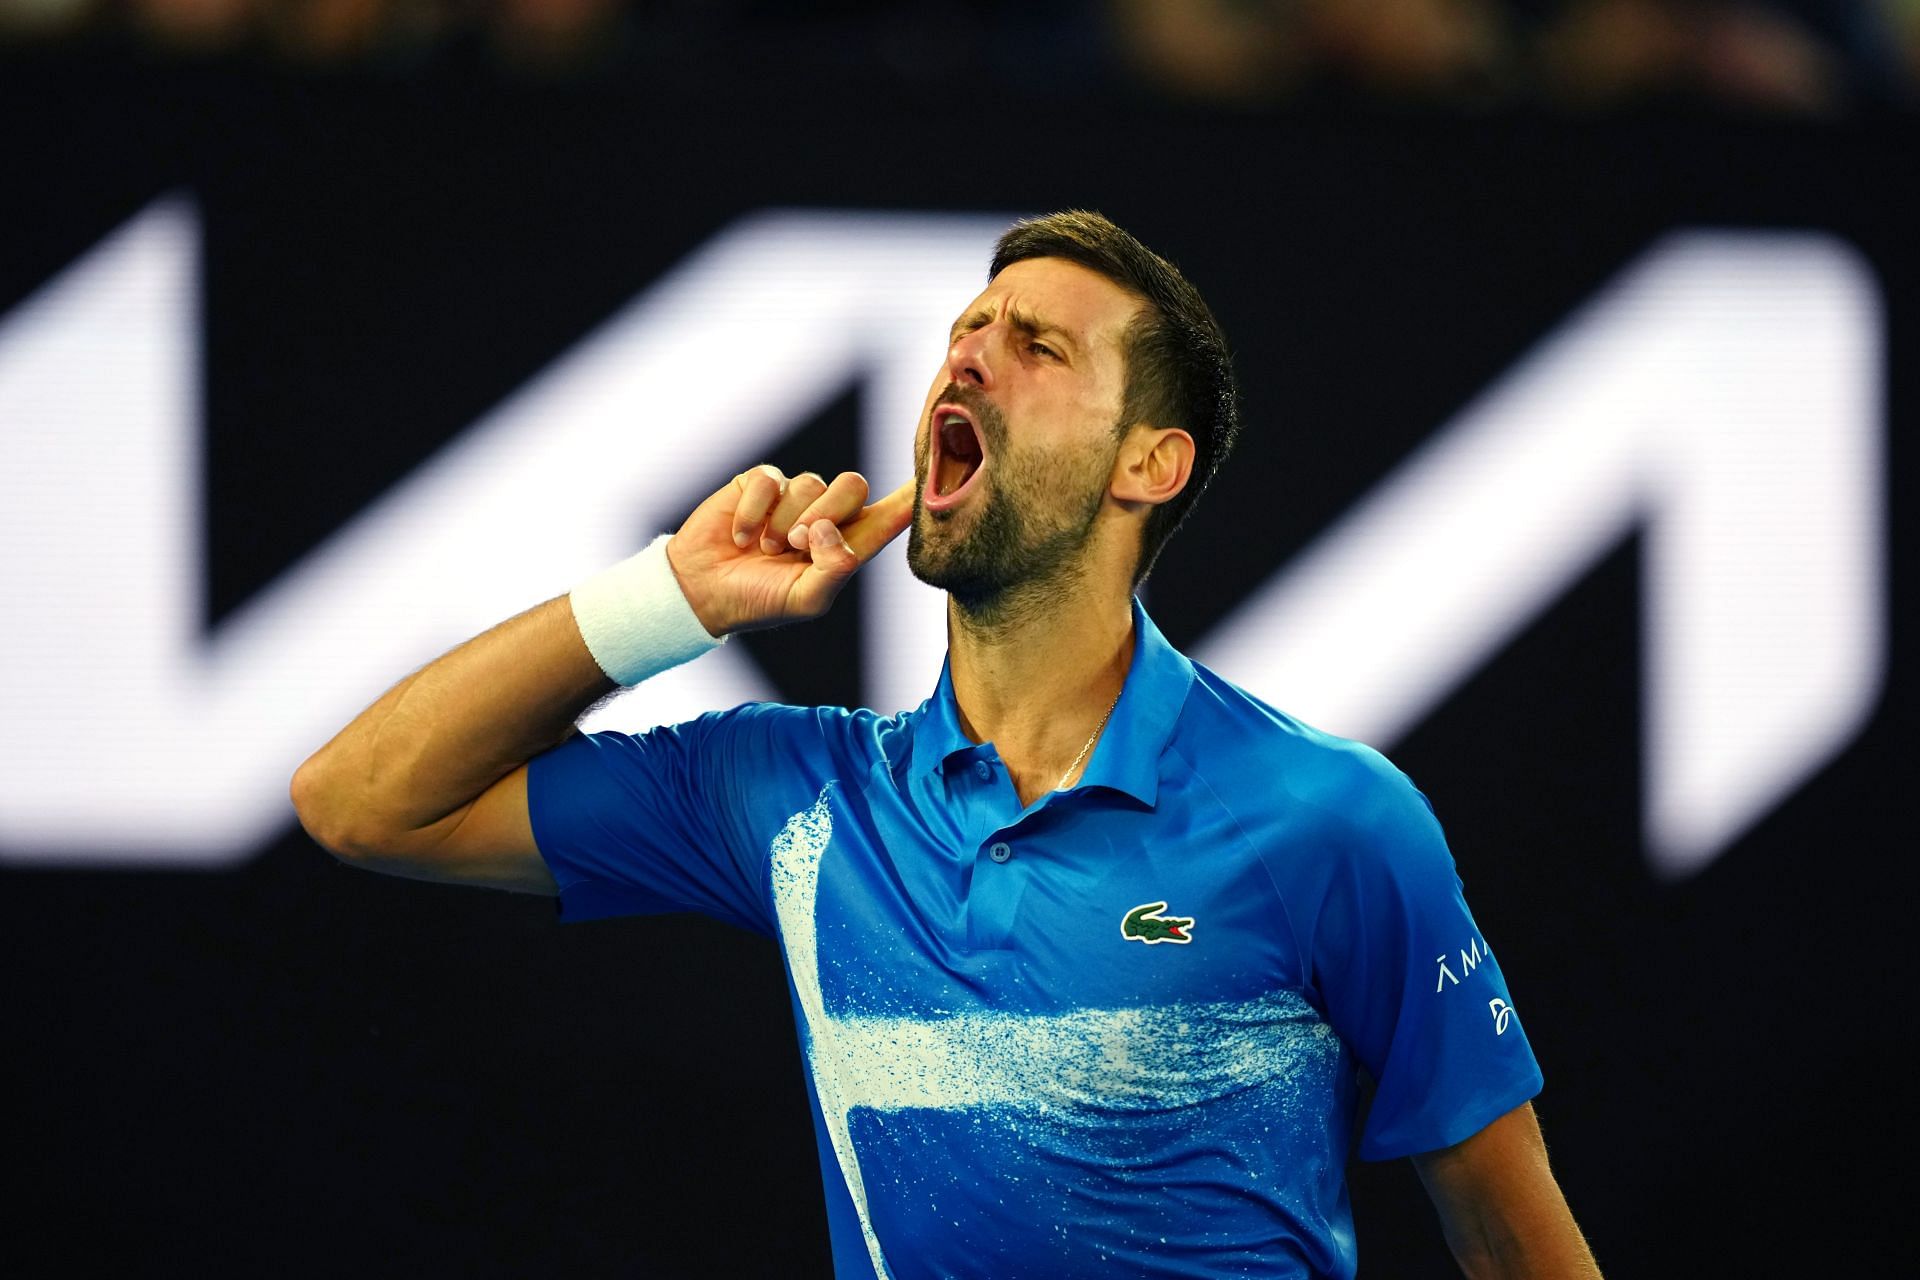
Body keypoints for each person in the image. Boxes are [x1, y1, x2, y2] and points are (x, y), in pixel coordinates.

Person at [292, 210, 1603, 1279]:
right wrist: (668, 600)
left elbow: (1505, 1231)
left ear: (1148, 463)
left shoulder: (1331, 821)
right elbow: (362, 803)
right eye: (964, 334)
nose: (966, 361)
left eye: (1035, 346)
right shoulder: (794, 794)